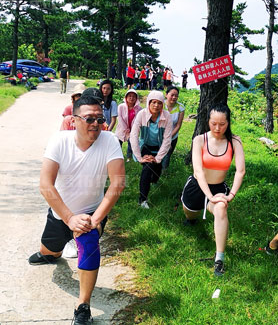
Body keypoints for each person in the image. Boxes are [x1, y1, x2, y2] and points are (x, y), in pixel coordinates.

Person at [28, 96, 126, 325]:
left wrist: (95, 220)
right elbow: (45, 184)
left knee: (89, 242)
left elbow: (117, 183)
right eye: (89, 118)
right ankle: (51, 254)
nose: (95, 124)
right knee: (51, 252)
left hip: (92, 213)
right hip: (61, 213)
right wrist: (69, 218)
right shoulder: (59, 140)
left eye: (100, 119)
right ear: (74, 120)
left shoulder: (110, 140)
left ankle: (83, 306)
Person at [181, 104, 245, 277]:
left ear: (228, 122)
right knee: (190, 214)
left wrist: (230, 195)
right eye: (213, 123)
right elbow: (198, 171)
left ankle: (219, 259)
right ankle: (191, 218)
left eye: (222, 124)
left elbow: (240, 171)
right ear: (208, 121)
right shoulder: (199, 140)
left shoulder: (235, 141)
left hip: (219, 188)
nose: (217, 128)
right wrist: (209, 196)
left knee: (221, 208)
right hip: (197, 187)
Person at [129, 90, 174, 208]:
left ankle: (152, 181)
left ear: (162, 104)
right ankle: (142, 199)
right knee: (147, 168)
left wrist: (158, 158)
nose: (156, 105)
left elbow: (167, 139)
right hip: (146, 147)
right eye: (153, 102)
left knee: (156, 173)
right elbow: (134, 135)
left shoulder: (166, 116)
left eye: (159, 103)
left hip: (159, 148)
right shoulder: (141, 114)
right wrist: (139, 157)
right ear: (148, 103)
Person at [162, 86, 185, 170]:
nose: (174, 97)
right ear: (166, 95)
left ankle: (164, 174)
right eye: (172, 95)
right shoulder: (160, 104)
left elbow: (178, 125)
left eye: (176, 95)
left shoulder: (180, 107)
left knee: (167, 155)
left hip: (173, 136)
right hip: (158, 135)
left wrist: (168, 138)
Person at [115, 88, 141, 158]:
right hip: (121, 129)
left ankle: (129, 157)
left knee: (132, 143)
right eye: (129, 96)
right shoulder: (121, 106)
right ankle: (117, 156)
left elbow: (138, 120)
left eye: (133, 96)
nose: (131, 98)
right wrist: (125, 128)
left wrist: (132, 130)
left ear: (136, 98)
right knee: (118, 143)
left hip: (133, 129)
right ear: (126, 97)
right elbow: (119, 118)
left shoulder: (139, 109)